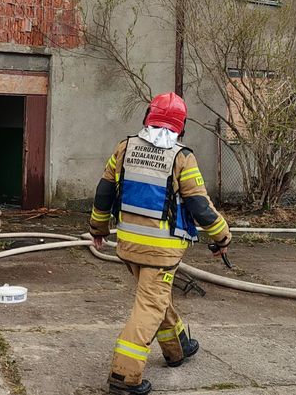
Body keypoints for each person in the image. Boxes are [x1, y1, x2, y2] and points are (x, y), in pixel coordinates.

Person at [88, 92, 232, 395]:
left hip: (128, 246)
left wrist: (98, 228)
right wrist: (222, 236)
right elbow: (199, 205)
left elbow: (104, 192)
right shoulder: (182, 157)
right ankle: (124, 376)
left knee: (154, 296)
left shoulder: (124, 148)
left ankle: (178, 347)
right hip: (162, 251)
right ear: (181, 126)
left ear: (147, 117)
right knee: (150, 305)